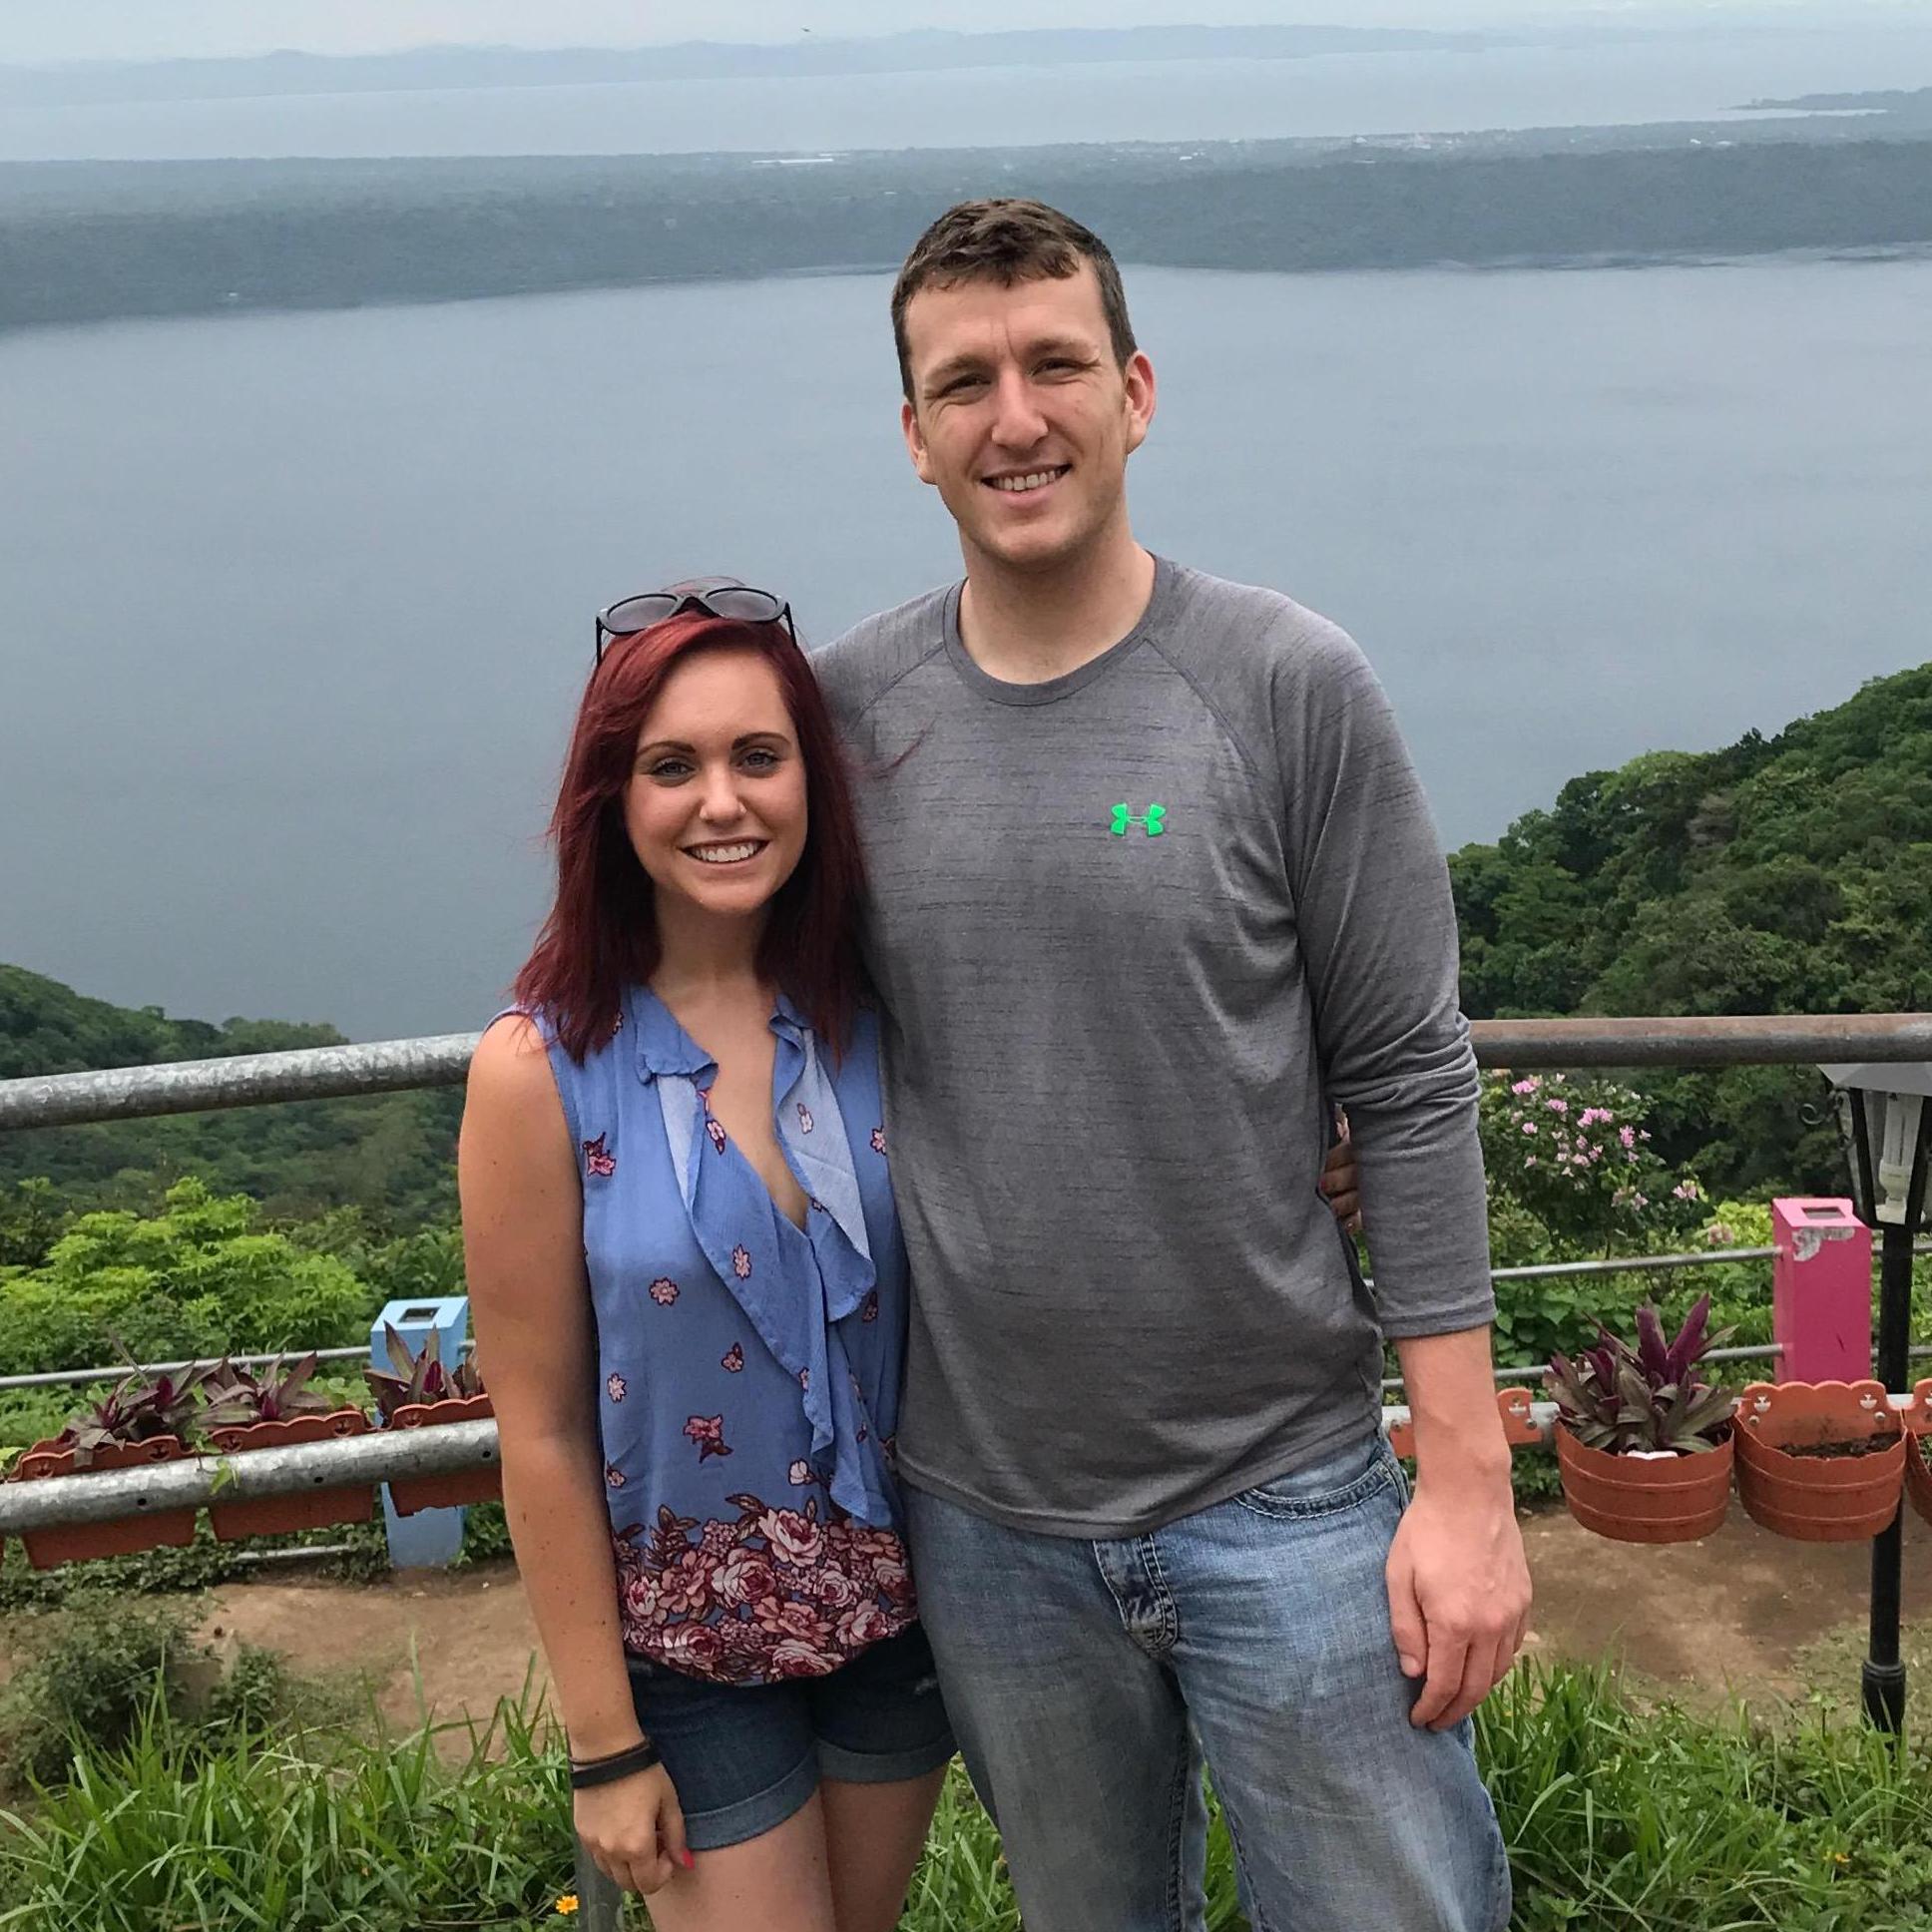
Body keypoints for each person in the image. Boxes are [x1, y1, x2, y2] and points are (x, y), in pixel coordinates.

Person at [810, 199, 1533, 1932]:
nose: (1017, 417)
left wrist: (1467, 1485)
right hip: (983, 1515)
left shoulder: (1286, 685)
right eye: (964, 382)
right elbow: (724, 1015)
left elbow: (1412, 1079)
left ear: (1137, 391)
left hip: (1286, 1489)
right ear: (912, 438)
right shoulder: (843, 721)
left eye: (1057, 363)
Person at [458, 579, 1370, 1927]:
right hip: (688, 1653)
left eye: (758, 758)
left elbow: (1085, 1085)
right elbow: (533, 1425)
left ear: (812, 784)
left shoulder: (874, 1017)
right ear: (614, 800)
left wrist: (1296, 1127)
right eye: (673, 766)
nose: (723, 802)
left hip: (897, 1615)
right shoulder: (542, 1072)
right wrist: (605, 1742)